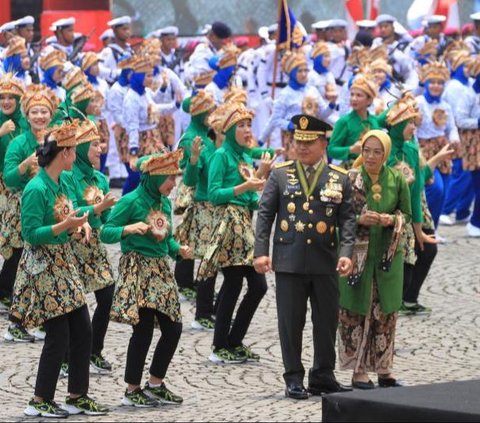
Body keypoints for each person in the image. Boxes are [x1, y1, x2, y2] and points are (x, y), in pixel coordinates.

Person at [10, 120, 108, 418]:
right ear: (64, 154)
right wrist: (65, 226)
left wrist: (91, 216)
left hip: (64, 265)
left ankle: (77, 396)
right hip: (43, 270)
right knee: (58, 335)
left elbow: (75, 210)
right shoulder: (36, 188)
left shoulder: (62, 181)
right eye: (73, 151)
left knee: (82, 328)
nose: (75, 156)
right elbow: (30, 234)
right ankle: (40, 400)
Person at [254, 114, 356, 399]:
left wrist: (346, 253)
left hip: (326, 261)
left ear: (324, 144)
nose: (301, 147)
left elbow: (348, 220)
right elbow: (265, 216)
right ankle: (293, 377)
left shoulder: (340, 178)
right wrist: (260, 252)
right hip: (289, 261)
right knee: (290, 322)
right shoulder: (279, 174)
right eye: (297, 141)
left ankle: (323, 375)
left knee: (326, 322)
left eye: (309, 142)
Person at [100, 150, 191, 408]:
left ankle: (155, 383)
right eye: (170, 178)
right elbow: (106, 232)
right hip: (137, 269)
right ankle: (132, 390)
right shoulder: (131, 201)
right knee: (142, 331)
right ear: (155, 176)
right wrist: (127, 229)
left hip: (161, 270)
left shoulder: (165, 202)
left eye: (175, 178)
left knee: (173, 327)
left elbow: (167, 236)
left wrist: (178, 249)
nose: (174, 184)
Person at [338, 129, 411, 389]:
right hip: (358, 257)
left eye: (377, 151)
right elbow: (340, 217)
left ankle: (384, 369)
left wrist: (391, 220)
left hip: (387, 258)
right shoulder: (351, 179)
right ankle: (358, 371)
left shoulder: (396, 179)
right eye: (366, 150)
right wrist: (360, 220)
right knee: (356, 311)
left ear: (386, 154)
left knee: (386, 312)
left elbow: (407, 214)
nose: (370, 156)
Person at [198, 102, 268, 364]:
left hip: (244, 224)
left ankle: (235, 340)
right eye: (241, 125)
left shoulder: (244, 157)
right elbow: (214, 194)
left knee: (258, 286)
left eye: (249, 124)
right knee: (233, 283)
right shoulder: (221, 155)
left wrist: (260, 186)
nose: (247, 130)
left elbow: (250, 198)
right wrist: (243, 188)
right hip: (227, 225)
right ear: (228, 130)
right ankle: (219, 345)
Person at [61, 120, 117, 373]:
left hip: (93, 246)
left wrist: (123, 227)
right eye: (94, 144)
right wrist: (96, 209)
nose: (100, 149)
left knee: (107, 296)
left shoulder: (101, 178)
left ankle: (94, 350)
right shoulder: (67, 175)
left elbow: (105, 222)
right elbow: (71, 209)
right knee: (72, 304)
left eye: (100, 143)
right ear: (81, 148)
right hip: (71, 245)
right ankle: (65, 358)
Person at [415, 61, 459, 230]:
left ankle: (435, 229)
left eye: (440, 83)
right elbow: (412, 128)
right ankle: (425, 227)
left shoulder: (445, 105)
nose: (436, 86)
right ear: (425, 83)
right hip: (424, 150)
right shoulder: (418, 102)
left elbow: (451, 127)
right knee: (436, 188)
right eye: (432, 82)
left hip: (443, 148)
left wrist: (454, 139)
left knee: (444, 191)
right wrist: (416, 149)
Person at [0, 74, 28, 320]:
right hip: (3, 187)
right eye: (2, 97)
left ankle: (6, 290)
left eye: (11, 97)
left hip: (20, 190)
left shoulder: (26, 123)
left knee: (16, 241)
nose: (6, 101)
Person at [328, 74, 386, 167]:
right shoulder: (344, 122)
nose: (354, 99)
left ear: (369, 100)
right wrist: (351, 149)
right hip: (350, 170)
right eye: (352, 95)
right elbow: (331, 150)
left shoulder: (374, 121)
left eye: (359, 95)